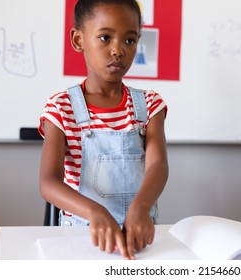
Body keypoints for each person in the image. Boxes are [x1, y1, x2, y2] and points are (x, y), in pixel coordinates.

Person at [38, 0, 168, 260]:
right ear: (78, 40)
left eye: (130, 41)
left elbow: (158, 165)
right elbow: (48, 182)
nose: (118, 50)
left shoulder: (150, 104)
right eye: (105, 37)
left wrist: (140, 208)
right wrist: (95, 212)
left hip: (140, 237)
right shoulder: (61, 107)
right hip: (81, 238)